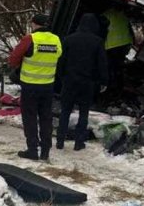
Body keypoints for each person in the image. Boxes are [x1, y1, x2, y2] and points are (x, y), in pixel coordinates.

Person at [9, 14, 62, 160]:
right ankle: (45, 151)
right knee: (46, 117)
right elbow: (58, 56)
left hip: (30, 85)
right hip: (48, 86)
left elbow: (13, 59)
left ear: (34, 24)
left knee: (30, 118)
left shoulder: (30, 39)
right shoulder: (56, 39)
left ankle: (32, 150)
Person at [56, 14, 109, 151]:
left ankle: (60, 140)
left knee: (65, 111)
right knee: (84, 112)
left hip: (69, 81)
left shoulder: (68, 40)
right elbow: (101, 63)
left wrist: (60, 77)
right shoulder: (97, 42)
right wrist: (103, 81)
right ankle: (79, 142)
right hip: (87, 82)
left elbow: (61, 61)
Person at [102, 7, 133, 94]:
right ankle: (118, 87)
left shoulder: (105, 15)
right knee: (118, 66)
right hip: (124, 44)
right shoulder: (122, 15)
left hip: (111, 46)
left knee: (109, 67)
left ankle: (109, 87)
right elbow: (130, 30)